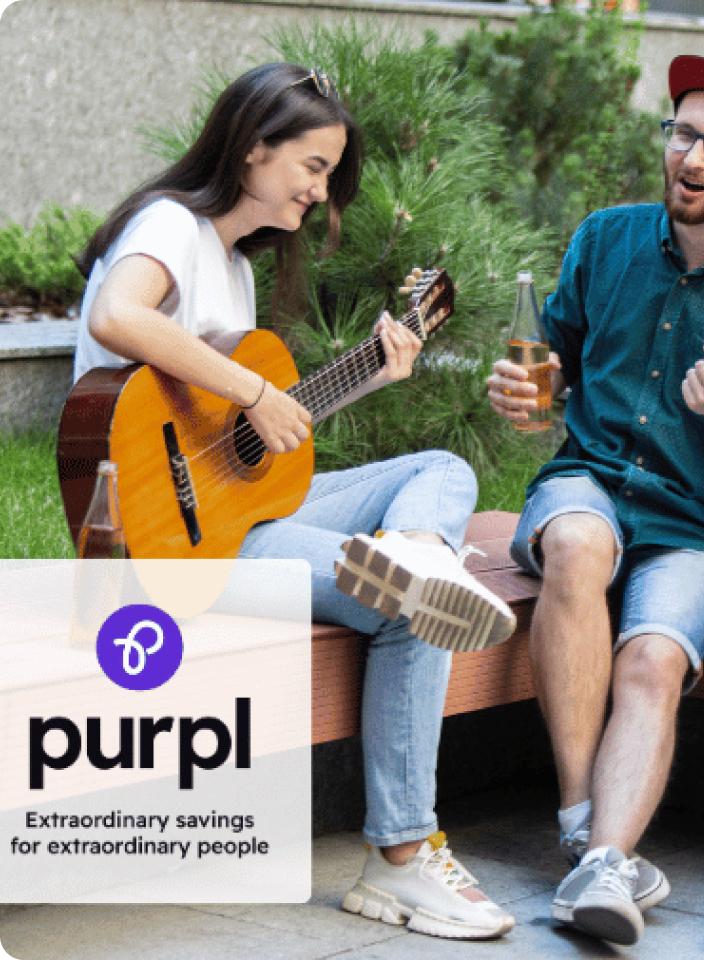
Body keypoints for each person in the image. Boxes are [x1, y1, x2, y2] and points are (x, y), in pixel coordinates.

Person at [73, 62, 518, 941]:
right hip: (164, 544)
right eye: (312, 167)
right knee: (411, 616)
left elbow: (253, 437)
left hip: (239, 513)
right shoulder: (171, 226)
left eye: (327, 174)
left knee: (441, 471)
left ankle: (417, 550)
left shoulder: (233, 271)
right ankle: (398, 861)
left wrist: (363, 375)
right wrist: (249, 389)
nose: (320, 190)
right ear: (251, 150)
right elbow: (118, 319)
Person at [486, 53, 704, 947]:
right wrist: (525, 397)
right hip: (591, 481)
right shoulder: (603, 240)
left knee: (652, 661)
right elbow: (550, 375)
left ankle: (606, 862)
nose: (693, 157)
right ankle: (584, 829)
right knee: (575, 546)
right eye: (683, 132)